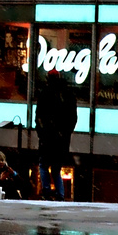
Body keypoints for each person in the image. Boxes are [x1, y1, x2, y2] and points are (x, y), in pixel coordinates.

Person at [35, 72, 78, 200]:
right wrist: (64, 133)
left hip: (47, 138)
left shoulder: (45, 93)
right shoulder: (68, 94)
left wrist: (42, 134)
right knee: (56, 168)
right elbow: (73, 118)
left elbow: (39, 117)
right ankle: (60, 195)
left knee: (43, 164)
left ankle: (47, 191)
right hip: (61, 141)